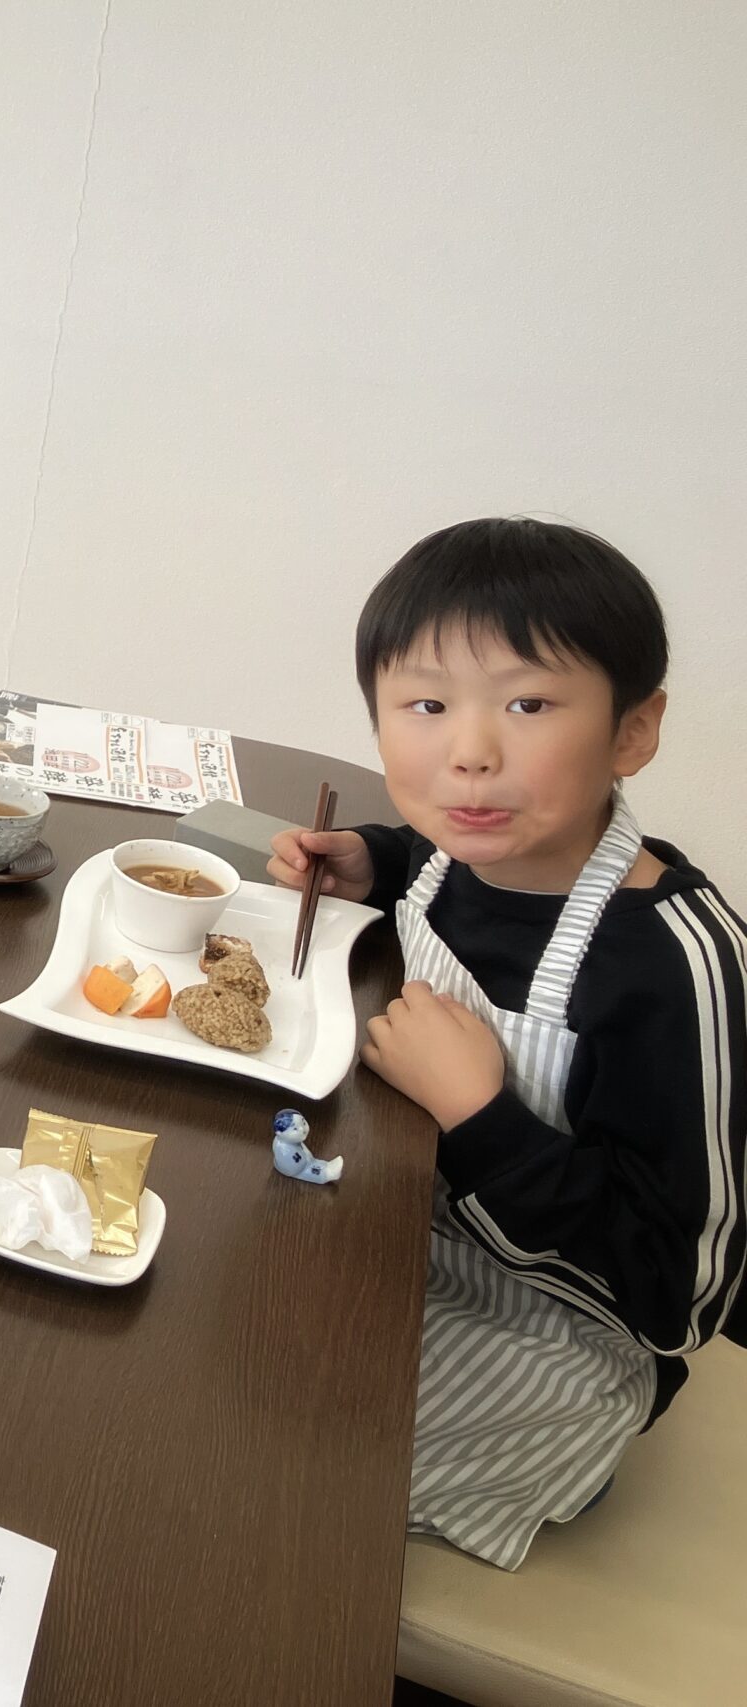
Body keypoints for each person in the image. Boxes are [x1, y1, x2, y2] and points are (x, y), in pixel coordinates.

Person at [269, 516, 743, 1569]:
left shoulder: (673, 967)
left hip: (557, 1347)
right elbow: (439, 874)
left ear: (632, 731)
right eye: (426, 705)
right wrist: (370, 860)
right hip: (409, 1230)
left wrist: (483, 1118)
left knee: (265, 1464)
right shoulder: (462, 849)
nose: (469, 754)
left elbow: (682, 1295)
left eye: (528, 705)